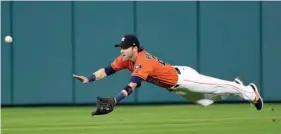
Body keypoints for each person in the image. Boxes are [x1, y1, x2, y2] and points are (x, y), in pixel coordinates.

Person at [73, 34, 263, 113]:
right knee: (207, 100)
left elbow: (131, 85)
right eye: (120, 47)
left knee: (218, 86)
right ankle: (239, 87)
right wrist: (88, 79)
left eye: (124, 47)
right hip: (175, 88)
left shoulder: (142, 61)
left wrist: (116, 100)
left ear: (134, 48)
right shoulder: (124, 59)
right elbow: (107, 71)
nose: (121, 50)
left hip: (185, 79)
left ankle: (249, 92)